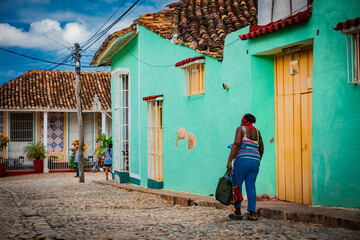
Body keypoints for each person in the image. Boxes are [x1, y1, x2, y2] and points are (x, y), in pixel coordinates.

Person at [227, 113, 264, 221]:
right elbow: (261, 149)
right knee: (251, 186)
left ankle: (238, 212)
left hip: (242, 160)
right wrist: (258, 160)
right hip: (255, 161)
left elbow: (236, 144)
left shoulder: (241, 129)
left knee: (237, 185)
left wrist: (229, 160)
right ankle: (252, 214)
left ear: (243, 121)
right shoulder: (258, 132)